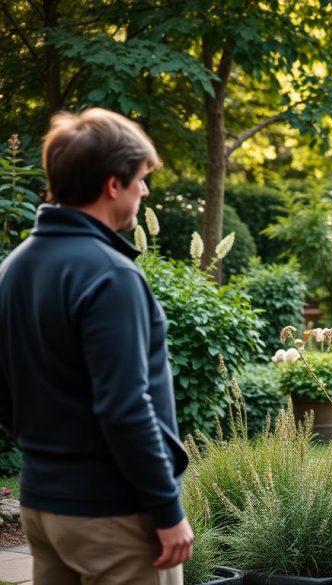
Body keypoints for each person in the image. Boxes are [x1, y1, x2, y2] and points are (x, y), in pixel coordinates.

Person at [0, 108, 193, 584]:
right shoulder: (111, 274)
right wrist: (167, 512)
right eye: (141, 179)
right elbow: (126, 408)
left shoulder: (15, 267)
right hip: (115, 516)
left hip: (42, 507)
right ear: (113, 184)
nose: (144, 191)